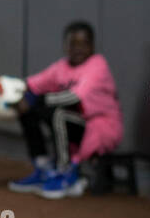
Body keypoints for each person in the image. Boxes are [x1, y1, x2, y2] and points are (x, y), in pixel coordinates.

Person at [7, 22, 123, 199]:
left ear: (92, 46)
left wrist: (36, 100)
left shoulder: (98, 66)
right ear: (65, 46)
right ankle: (43, 167)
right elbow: (33, 84)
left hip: (101, 128)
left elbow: (76, 97)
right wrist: (11, 91)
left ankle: (66, 173)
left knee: (56, 111)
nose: (78, 49)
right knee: (28, 108)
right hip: (76, 123)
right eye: (73, 44)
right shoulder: (62, 67)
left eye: (83, 44)